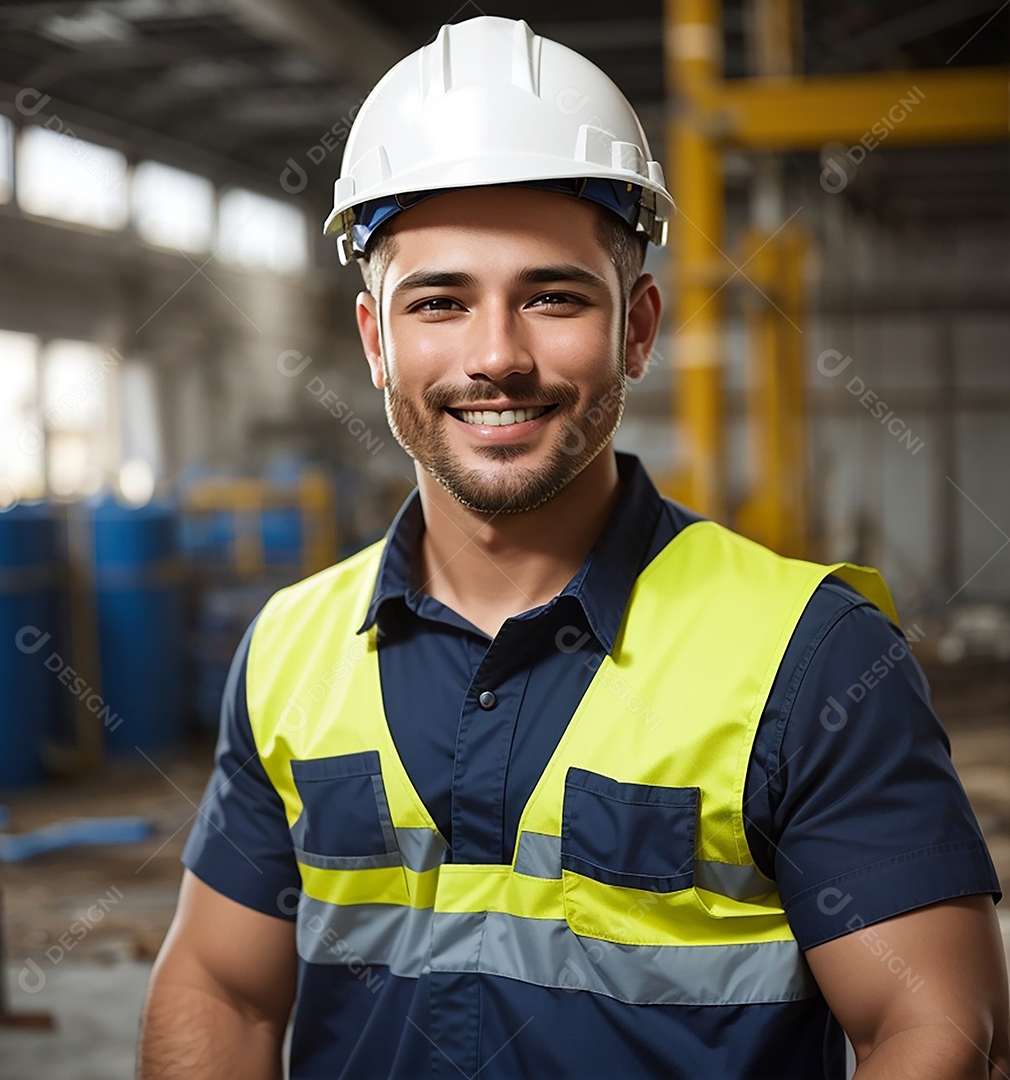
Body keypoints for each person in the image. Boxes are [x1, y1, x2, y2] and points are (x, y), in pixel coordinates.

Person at [139, 16, 1008, 1080]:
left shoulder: (810, 655)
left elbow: (935, 1030)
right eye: (441, 302)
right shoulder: (287, 649)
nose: (497, 356)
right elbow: (220, 990)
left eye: (552, 297)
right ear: (376, 341)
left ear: (636, 329)